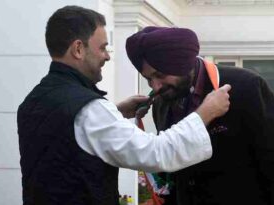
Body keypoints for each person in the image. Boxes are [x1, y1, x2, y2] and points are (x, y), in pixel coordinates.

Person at [17, 6, 231, 205]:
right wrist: (205, 112)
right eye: (102, 48)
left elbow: (66, 139)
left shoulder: (35, 100)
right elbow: (158, 152)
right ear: (78, 49)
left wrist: (116, 113)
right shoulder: (89, 111)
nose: (107, 57)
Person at [126, 26, 274, 205]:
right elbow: (174, 171)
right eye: (148, 78)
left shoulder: (246, 87)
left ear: (183, 63)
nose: (155, 87)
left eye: (160, 75)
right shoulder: (161, 103)